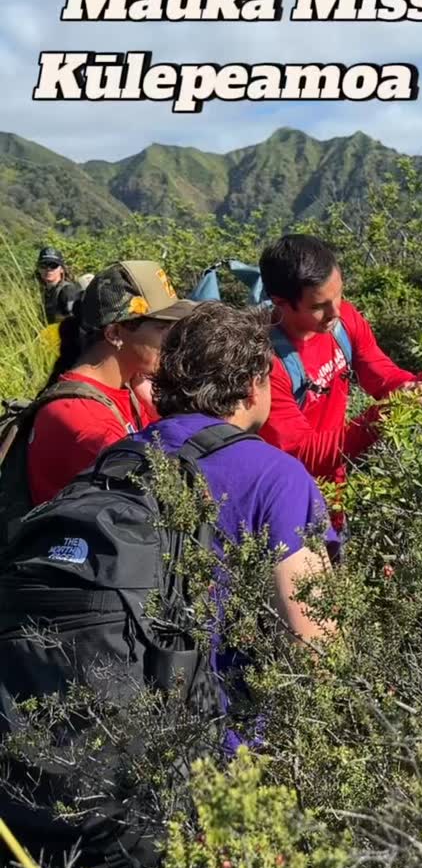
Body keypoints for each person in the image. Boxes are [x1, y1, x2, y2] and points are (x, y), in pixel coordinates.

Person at [132, 300, 338, 751]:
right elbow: (317, 651)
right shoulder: (277, 477)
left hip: (107, 735)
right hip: (220, 750)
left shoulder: (118, 456)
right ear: (251, 387)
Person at [258, 234, 422, 485]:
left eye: (338, 294)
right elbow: (304, 453)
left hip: (336, 484)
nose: (335, 312)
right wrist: (383, 415)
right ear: (281, 303)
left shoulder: (341, 323)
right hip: (289, 496)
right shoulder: (265, 363)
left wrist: (418, 385)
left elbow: (378, 371)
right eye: (319, 306)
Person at [27, 260, 194, 505]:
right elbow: (167, 499)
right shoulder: (81, 418)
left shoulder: (128, 389)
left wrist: (153, 406)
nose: (174, 341)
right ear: (114, 333)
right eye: (162, 328)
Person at [35, 245, 81, 323]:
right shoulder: (44, 292)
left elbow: (75, 324)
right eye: (44, 265)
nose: (48, 269)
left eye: (53, 265)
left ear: (62, 269)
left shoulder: (68, 291)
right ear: (39, 269)